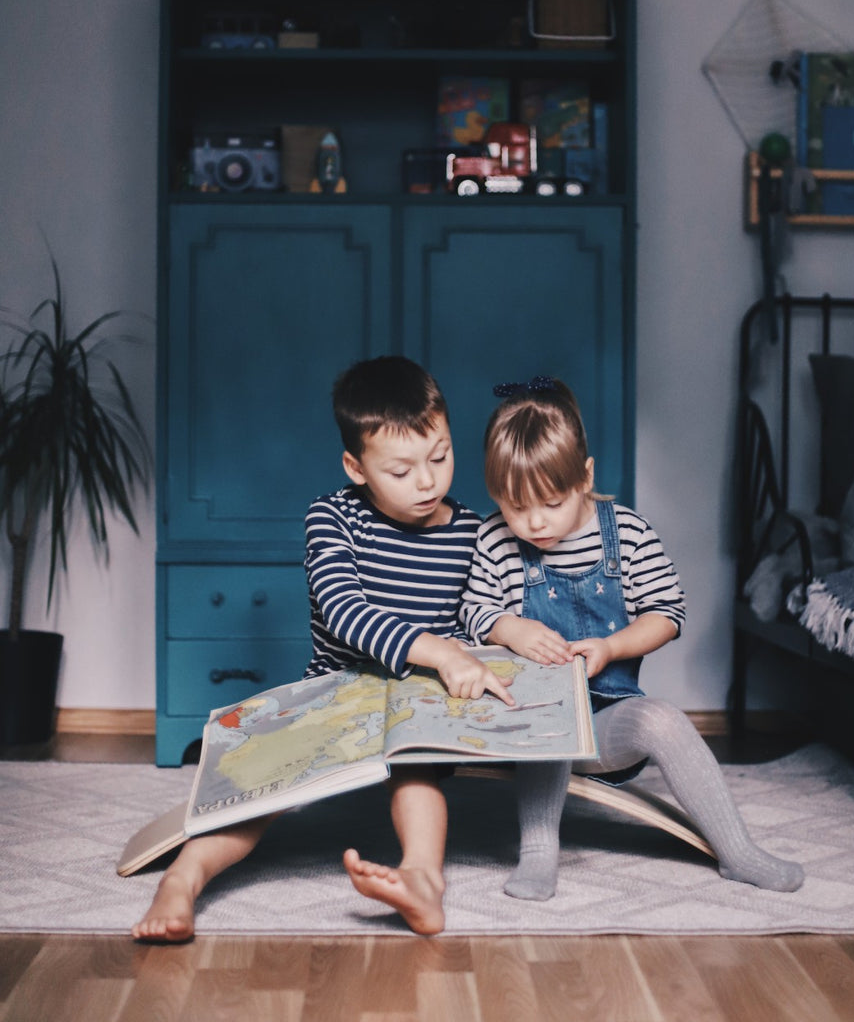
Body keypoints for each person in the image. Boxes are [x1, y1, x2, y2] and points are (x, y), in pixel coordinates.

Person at [133, 356, 513, 942]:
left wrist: (506, 635)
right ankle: (182, 881)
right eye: (401, 469)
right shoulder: (331, 517)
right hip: (337, 687)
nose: (427, 481)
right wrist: (437, 650)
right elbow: (344, 611)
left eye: (439, 457)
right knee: (266, 782)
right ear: (355, 467)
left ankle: (422, 882)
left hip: (420, 700)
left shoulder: (473, 531)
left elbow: (482, 614)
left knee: (418, 773)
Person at [460, 376, 804, 901]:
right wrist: (513, 628)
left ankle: (738, 851)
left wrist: (612, 647)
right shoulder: (494, 538)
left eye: (551, 503)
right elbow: (473, 611)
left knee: (662, 720)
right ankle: (537, 852)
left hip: (604, 727)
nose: (533, 523)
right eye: (514, 505)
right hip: (528, 728)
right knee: (550, 706)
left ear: (585, 477)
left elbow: (668, 613)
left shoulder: (627, 532)